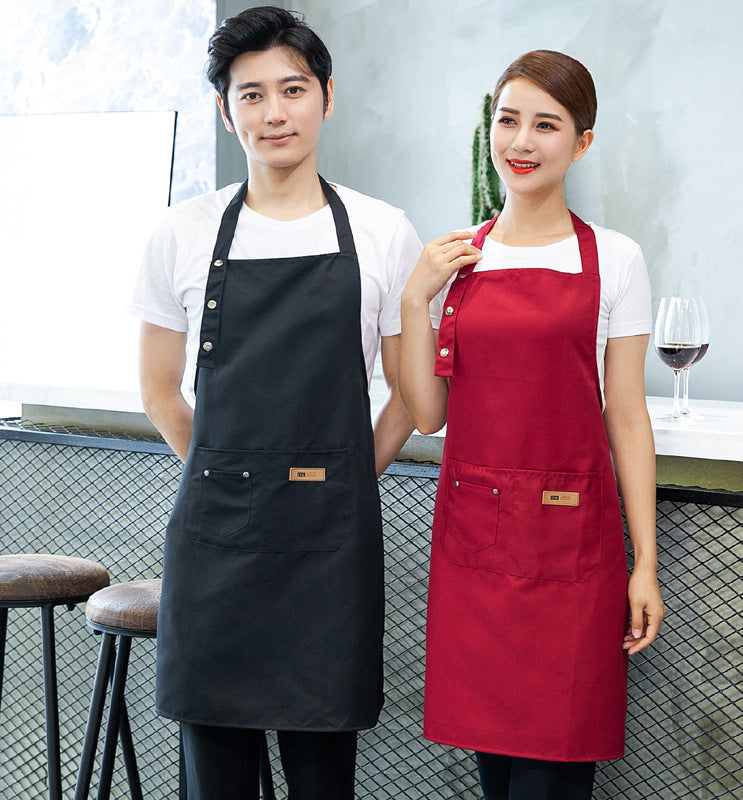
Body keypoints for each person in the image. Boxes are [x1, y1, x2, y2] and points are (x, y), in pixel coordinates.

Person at [132, 7, 427, 799]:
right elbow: (159, 389)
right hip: (215, 545)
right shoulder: (182, 233)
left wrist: (348, 477)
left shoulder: (380, 231)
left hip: (331, 546)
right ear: (227, 113)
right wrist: (222, 476)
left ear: (326, 98)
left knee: (323, 777)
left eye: (291, 90)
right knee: (214, 776)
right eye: (250, 95)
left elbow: (409, 392)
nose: (273, 113)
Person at [399, 50, 666, 800]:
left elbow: (628, 417)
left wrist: (643, 563)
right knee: (496, 781)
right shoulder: (455, 258)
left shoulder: (615, 259)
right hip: (475, 556)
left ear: (581, 143)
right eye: (508, 119)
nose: (521, 140)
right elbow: (427, 415)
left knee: (552, 781)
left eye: (545, 125)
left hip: (571, 559)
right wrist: (413, 301)